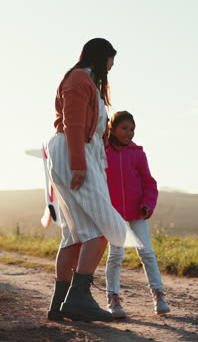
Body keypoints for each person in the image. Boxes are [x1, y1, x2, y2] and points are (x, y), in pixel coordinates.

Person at [46, 39, 142, 323]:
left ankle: (60, 304)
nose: (112, 66)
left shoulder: (88, 82)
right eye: (111, 60)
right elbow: (72, 123)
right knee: (104, 226)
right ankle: (78, 299)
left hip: (79, 155)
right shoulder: (79, 78)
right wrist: (78, 165)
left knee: (76, 235)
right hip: (75, 155)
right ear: (103, 57)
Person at [105, 111, 170, 318]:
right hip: (113, 214)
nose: (129, 133)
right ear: (112, 129)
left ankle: (158, 295)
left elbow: (150, 184)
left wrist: (147, 205)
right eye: (124, 128)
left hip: (136, 212)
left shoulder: (138, 154)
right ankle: (113, 298)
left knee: (147, 254)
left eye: (132, 129)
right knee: (116, 255)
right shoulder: (102, 152)